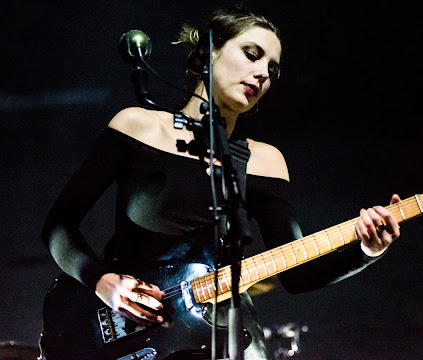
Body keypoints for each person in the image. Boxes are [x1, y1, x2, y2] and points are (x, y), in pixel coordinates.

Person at [41, 7, 401, 359]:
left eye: (272, 69)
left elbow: (297, 275)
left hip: (224, 334)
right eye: (252, 54)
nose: (262, 74)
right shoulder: (138, 125)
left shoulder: (265, 161)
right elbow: (60, 223)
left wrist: (366, 251)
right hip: (129, 330)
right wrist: (101, 280)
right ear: (208, 51)